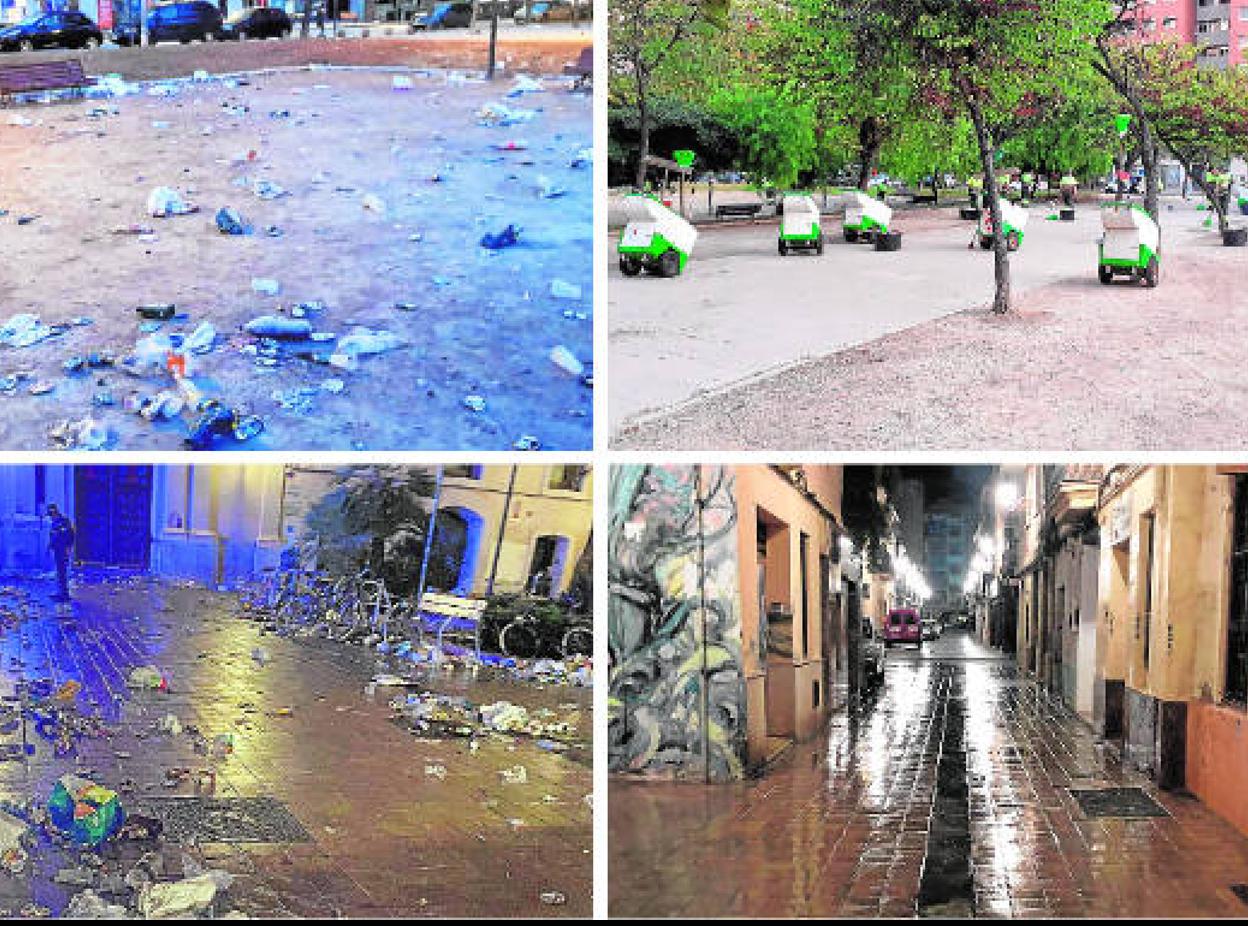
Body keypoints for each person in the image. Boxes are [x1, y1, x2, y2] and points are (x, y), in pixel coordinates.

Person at [47, 505, 75, 602]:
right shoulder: (55, 522)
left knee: (62, 572)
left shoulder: (64, 521)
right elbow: (53, 535)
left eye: (51, 514)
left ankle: (64, 594)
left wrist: (68, 548)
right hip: (57, 550)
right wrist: (50, 545)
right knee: (59, 572)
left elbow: (70, 535)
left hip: (62, 550)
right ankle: (60, 593)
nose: (51, 517)